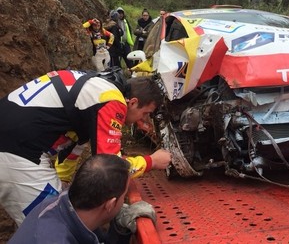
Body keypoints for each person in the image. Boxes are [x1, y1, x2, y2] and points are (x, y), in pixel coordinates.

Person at [0, 68, 171, 225]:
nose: (142, 122)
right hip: (15, 152)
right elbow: (111, 166)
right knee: (55, 223)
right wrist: (152, 161)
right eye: (145, 114)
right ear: (133, 102)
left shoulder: (93, 89)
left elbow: (72, 149)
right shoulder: (112, 100)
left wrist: (64, 181)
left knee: (57, 214)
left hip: (15, 144)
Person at [8, 154, 157, 244]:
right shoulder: (55, 239)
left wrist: (119, 229)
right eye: (123, 197)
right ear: (110, 204)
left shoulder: (60, 205)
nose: (124, 202)